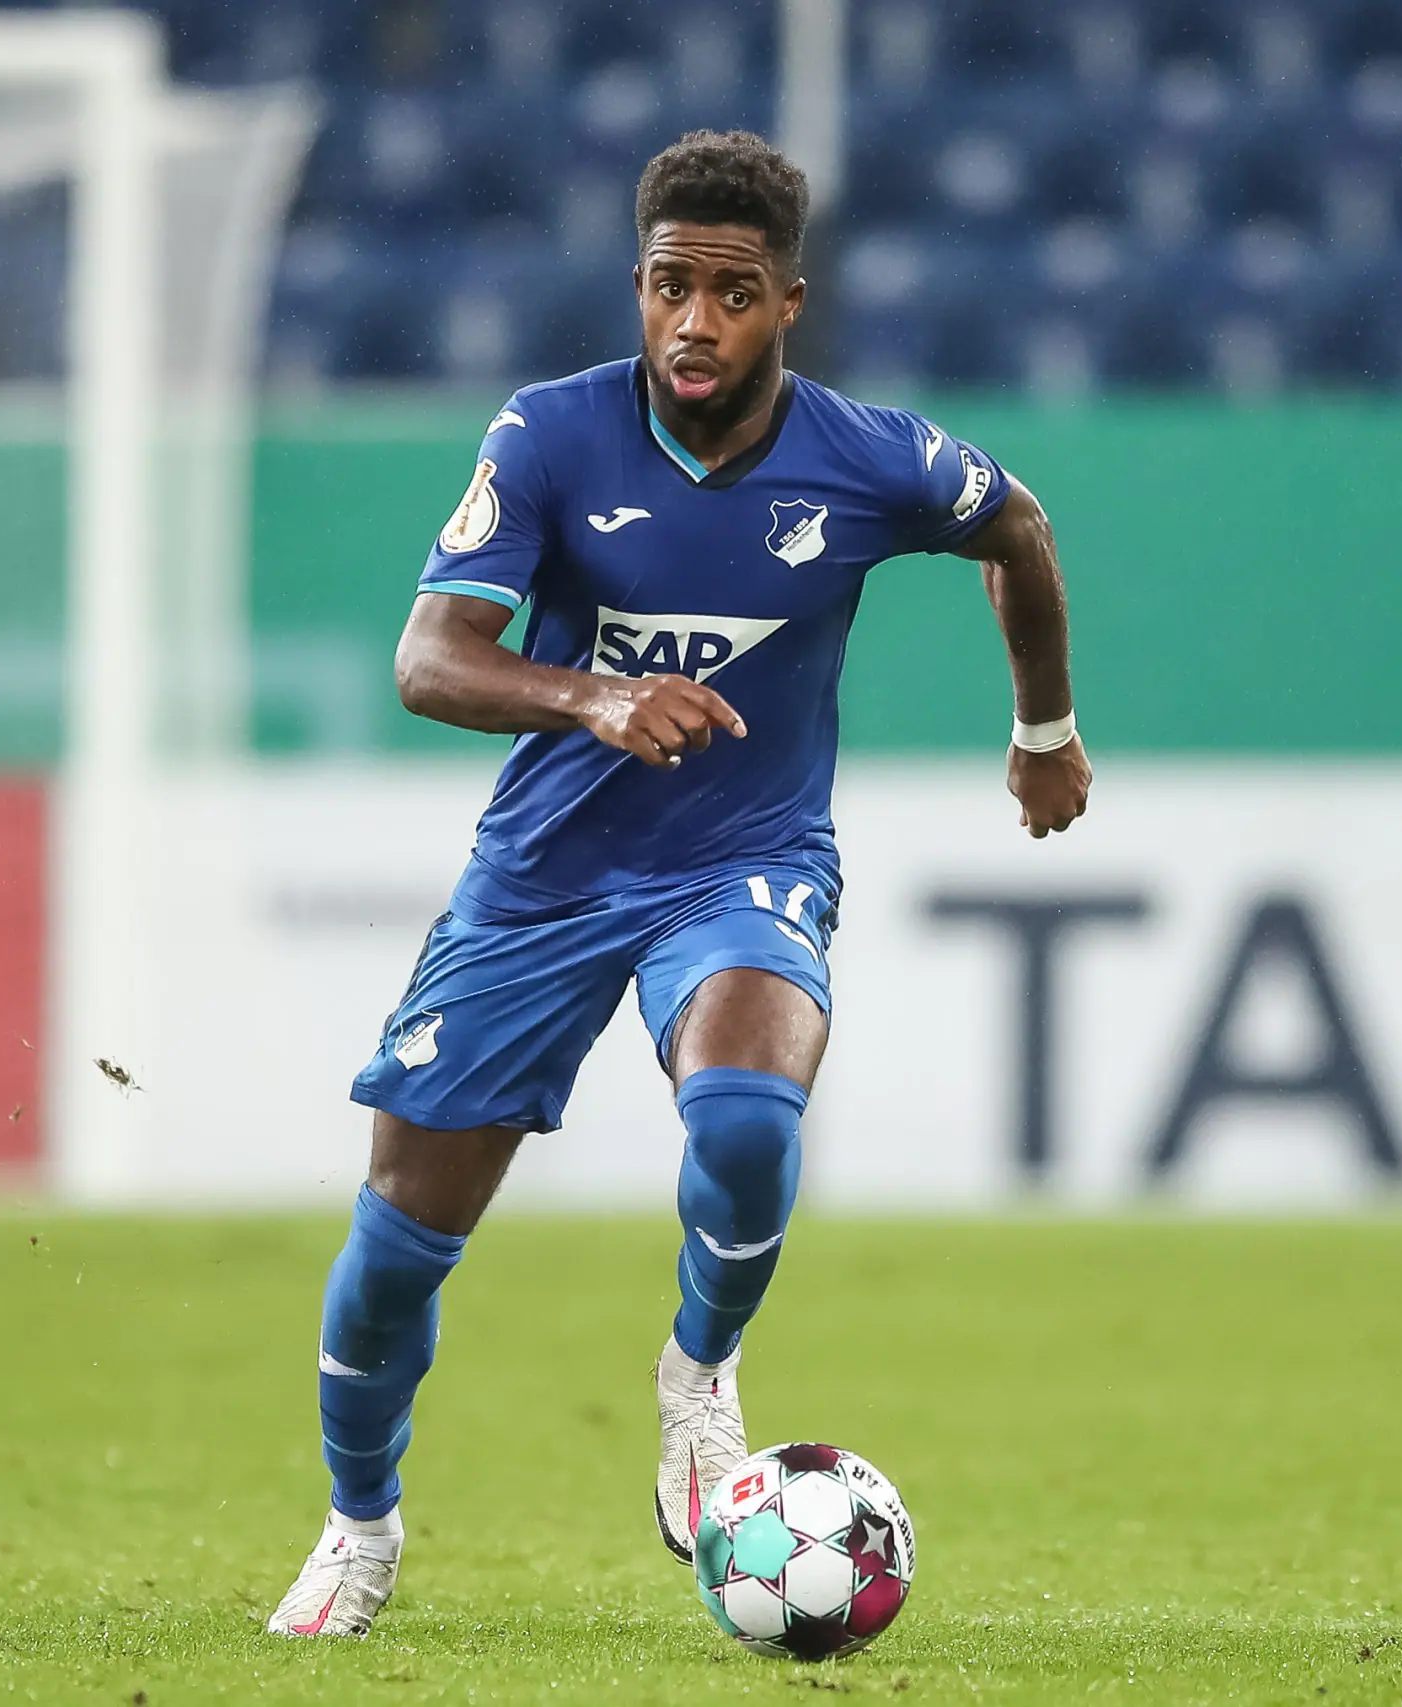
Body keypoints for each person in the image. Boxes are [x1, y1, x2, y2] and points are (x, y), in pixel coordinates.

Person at [268, 129, 1090, 1639]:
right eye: (667, 287)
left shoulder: (870, 458)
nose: (693, 323)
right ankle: (359, 1525)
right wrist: (593, 696)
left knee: (749, 1119)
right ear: (636, 286)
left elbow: (1020, 529)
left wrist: (1044, 730)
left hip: (744, 860)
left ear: (788, 303)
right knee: (394, 1251)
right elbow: (429, 659)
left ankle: (700, 1371)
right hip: (543, 880)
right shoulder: (548, 435)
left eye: (730, 293)